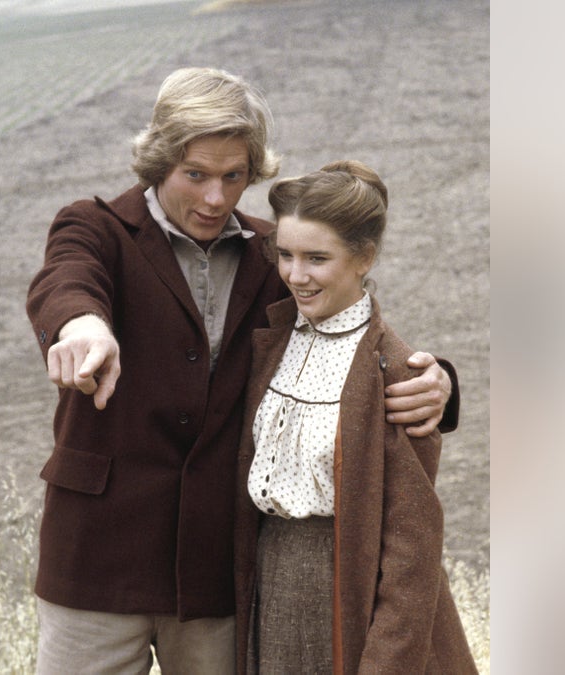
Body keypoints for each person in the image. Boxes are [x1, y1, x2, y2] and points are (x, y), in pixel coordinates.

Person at [25, 67, 459, 673]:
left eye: (235, 177)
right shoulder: (94, 227)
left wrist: (435, 376)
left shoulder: (273, 254)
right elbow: (65, 280)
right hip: (96, 560)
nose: (216, 198)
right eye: (195, 175)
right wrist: (82, 325)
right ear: (158, 163)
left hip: (216, 573)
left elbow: (348, 327)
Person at [233, 161, 477, 674]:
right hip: (269, 582)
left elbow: (413, 551)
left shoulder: (397, 371)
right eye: (285, 255)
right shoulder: (272, 340)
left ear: (364, 257)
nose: (296, 275)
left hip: (348, 588)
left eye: (317, 258)